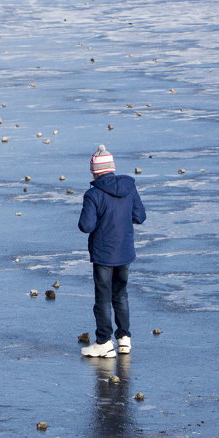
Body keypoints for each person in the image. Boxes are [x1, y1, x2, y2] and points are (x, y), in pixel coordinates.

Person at [78, 146, 145, 358]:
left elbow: (86, 226)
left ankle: (104, 342)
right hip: (125, 252)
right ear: (112, 168)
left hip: (104, 254)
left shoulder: (93, 194)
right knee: (121, 294)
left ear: (95, 171)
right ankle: (124, 339)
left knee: (103, 298)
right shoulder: (129, 188)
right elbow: (140, 216)